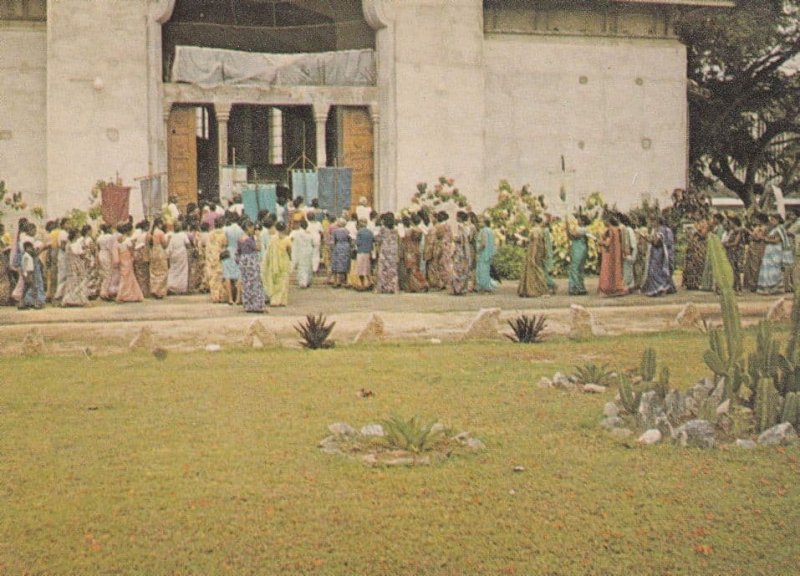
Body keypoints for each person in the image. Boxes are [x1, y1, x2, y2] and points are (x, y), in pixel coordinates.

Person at [236, 219, 266, 313]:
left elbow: (238, 251)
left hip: (243, 260)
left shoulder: (240, 238)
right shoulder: (248, 239)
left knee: (247, 283)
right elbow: (258, 248)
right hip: (251, 260)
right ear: (248, 227)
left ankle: (248, 304)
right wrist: (258, 237)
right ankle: (256, 305)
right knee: (255, 282)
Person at [642, 217, 677, 297]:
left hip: (658, 254)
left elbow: (656, 242)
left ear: (657, 222)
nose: (652, 224)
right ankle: (663, 288)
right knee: (662, 271)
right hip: (663, 254)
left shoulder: (660, 230)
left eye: (653, 222)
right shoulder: (667, 230)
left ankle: (659, 289)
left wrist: (646, 238)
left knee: (654, 271)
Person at [757, 213, 789, 295]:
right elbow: (771, 238)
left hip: (775, 250)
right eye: (771, 220)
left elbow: (777, 240)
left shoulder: (779, 229)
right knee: (768, 268)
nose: (771, 221)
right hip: (770, 250)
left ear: (778, 220)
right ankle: (770, 288)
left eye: (773, 220)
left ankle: (772, 288)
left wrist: (765, 239)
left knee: (773, 268)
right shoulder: (774, 229)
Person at [598, 215, 628, 297]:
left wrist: (600, 242)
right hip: (616, 254)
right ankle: (616, 288)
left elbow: (607, 243)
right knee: (615, 270)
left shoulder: (610, 230)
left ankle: (607, 289)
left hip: (609, 254)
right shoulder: (618, 230)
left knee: (607, 271)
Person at [518, 218, 549, 298]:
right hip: (539, 251)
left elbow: (535, 243)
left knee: (533, 270)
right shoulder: (541, 230)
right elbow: (542, 242)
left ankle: (534, 290)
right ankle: (537, 289)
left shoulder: (535, 230)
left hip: (533, 251)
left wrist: (532, 256)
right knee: (537, 269)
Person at [264, 221, 291, 306]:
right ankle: (282, 301)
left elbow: (268, 252)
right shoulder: (287, 239)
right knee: (283, 282)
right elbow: (289, 251)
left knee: (274, 282)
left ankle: (274, 300)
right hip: (284, 262)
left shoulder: (272, 239)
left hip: (273, 263)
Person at [116, 223, 144, 303]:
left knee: (125, 276)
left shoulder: (119, 239)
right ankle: (123, 295)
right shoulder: (128, 239)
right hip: (127, 258)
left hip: (122, 258)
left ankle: (127, 295)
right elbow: (132, 250)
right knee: (128, 276)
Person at [60, 228, 89, 307]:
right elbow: (81, 255)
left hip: (70, 264)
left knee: (71, 282)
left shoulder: (68, 244)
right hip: (77, 264)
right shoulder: (77, 244)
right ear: (76, 235)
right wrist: (86, 253)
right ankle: (78, 300)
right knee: (80, 281)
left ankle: (68, 299)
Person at [401, 216, 428, 293]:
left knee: (410, 270)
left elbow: (404, 240)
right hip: (417, 250)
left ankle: (419, 284)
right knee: (416, 268)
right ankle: (416, 285)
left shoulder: (409, 231)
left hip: (409, 251)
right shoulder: (420, 230)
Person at [222, 214, 244, 305]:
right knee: (239, 275)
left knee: (227, 275)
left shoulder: (226, 229)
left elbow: (225, 242)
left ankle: (230, 298)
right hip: (237, 252)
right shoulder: (241, 230)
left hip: (228, 252)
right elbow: (241, 242)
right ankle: (238, 298)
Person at [376, 213, 400, 294]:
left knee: (383, 269)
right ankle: (393, 287)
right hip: (393, 250)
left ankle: (383, 287)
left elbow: (378, 239)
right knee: (392, 269)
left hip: (385, 249)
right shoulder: (395, 230)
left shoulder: (383, 229)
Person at [566, 214, 590, 296]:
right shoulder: (577, 228)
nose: (577, 221)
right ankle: (577, 287)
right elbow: (570, 236)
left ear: (582, 221)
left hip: (580, 249)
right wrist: (567, 227)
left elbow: (574, 234)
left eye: (579, 219)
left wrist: (568, 227)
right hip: (576, 248)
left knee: (576, 268)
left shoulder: (583, 229)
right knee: (576, 268)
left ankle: (577, 287)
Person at [743, 213, 768, 292]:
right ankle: (752, 284)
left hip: (759, 247)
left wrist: (748, 231)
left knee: (756, 266)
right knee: (750, 265)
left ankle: (756, 284)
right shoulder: (757, 227)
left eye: (757, 219)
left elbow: (758, 238)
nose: (755, 221)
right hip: (753, 247)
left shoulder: (764, 228)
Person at [682, 218, 708, 290]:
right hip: (692, 249)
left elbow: (703, 235)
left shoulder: (704, 224)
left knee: (697, 266)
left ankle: (696, 283)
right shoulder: (695, 224)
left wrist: (697, 231)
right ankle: (689, 283)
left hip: (699, 249)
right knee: (689, 266)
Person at [205, 218, 227, 303]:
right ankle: (221, 296)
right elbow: (224, 245)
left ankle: (214, 296)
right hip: (219, 257)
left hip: (211, 257)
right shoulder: (223, 234)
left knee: (212, 277)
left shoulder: (210, 234)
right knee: (220, 277)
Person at [722, 215, 746, 292]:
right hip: (731, 252)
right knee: (732, 269)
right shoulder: (732, 231)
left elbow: (736, 243)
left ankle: (738, 287)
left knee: (736, 270)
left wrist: (727, 245)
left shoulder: (739, 231)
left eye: (730, 222)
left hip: (737, 252)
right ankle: (734, 286)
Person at [166, 222, 191, 295]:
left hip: (174, 255)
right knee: (182, 271)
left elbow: (169, 248)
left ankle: (171, 287)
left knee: (173, 270)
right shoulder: (183, 235)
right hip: (181, 255)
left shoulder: (171, 236)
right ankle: (181, 288)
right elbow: (188, 244)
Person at [450, 211, 470, 295]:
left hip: (460, 250)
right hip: (464, 250)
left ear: (460, 218)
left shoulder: (461, 227)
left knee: (458, 269)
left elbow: (461, 239)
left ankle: (458, 289)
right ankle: (462, 288)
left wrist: (454, 239)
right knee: (463, 269)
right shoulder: (467, 227)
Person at [290, 219, 314, 288]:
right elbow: (313, 242)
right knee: (309, 266)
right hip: (309, 251)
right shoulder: (309, 233)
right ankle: (308, 281)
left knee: (302, 267)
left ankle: (303, 282)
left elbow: (290, 239)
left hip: (300, 251)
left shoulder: (295, 232)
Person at [475, 216, 496, 293]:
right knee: (487, 270)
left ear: (485, 223)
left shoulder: (483, 231)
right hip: (489, 253)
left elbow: (483, 243)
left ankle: (484, 288)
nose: (479, 223)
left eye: (481, 222)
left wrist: (478, 250)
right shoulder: (490, 230)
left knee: (482, 271)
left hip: (483, 253)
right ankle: (488, 287)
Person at [149, 218, 169, 299]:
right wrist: (169, 240)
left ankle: (153, 288)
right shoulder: (160, 233)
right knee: (163, 271)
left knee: (154, 271)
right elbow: (164, 245)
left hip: (153, 251)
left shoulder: (151, 233)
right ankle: (159, 291)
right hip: (160, 251)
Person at [330, 219, 352, 288]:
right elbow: (350, 239)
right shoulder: (347, 231)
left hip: (338, 246)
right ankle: (347, 280)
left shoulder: (335, 231)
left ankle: (337, 281)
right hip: (346, 247)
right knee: (346, 263)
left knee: (337, 263)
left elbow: (333, 241)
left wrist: (332, 248)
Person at [132, 220, 150, 298]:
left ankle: (138, 291)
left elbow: (132, 240)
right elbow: (147, 246)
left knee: (138, 272)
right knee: (144, 273)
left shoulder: (136, 233)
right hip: (143, 252)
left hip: (136, 252)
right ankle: (144, 291)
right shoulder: (146, 235)